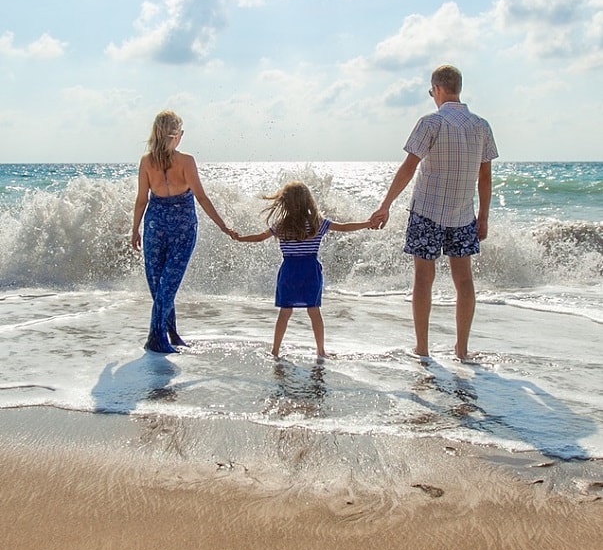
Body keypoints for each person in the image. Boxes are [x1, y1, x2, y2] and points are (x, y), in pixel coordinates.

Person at [370, 65, 498, 360]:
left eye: (431, 92)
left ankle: (423, 348)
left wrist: (386, 204)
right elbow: (486, 178)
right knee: (464, 280)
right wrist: (484, 217)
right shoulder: (481, 125)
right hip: (464, 214)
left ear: (437, 89)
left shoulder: (431, 123)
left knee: (423, 279)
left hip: (427, 211)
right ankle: (462, 350)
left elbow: (408, 167)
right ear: (458, 88)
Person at [132, 110, 235, 354]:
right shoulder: (186, 161)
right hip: (182, 226)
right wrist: (223, 225)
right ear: (178, 135)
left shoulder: (147, 161)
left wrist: (135, 229)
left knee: (161, 284)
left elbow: (141, 200)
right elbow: (200, 196)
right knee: (166, 284)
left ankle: (170, 334)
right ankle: (157, 337)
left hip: (155, 224)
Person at [235, 181, 374, 358]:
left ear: (285, 202)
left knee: (285, 312)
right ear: (308, 201)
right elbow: (344, 227)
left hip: (289, 272)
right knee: (314, 311)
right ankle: (321, 351)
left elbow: (260, 237)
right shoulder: (317, 223)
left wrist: (240, 238)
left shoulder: (281, 225)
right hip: (310, 272)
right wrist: (367, 223)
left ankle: (275, 350)